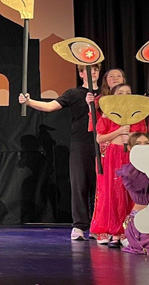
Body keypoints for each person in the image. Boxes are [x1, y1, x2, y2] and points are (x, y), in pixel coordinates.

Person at [20, 64, 100, 241]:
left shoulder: (106, 93)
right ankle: (79, 226)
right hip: (81, 143)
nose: (93, 72)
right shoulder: (73, 93)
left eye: (96, 69)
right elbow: (50, 107)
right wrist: (29, 102)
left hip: (104, 142)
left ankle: (99, 225)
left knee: (101, 186)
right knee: (79, 184)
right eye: (89, 70)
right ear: (81, 74)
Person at [90, 84, 149, 246]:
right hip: (112, 156)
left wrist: (131, 134)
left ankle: (126, 230)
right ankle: (108, 230)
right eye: (120, 93)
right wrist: (118, 132)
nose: (124, 95)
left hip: (132, 156)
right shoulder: (107, 114)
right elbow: (99, 138)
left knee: (129, 192)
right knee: (111, 191)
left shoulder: (137, 115)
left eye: (128, 92)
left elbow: (144, 134)